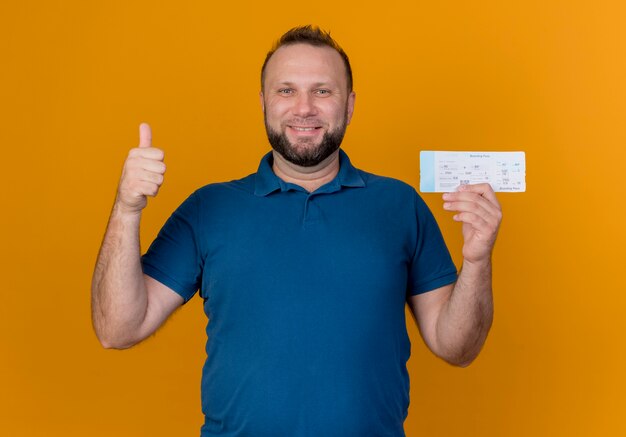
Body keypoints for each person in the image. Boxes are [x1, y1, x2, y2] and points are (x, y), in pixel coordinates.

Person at [91, 25, 502, 437]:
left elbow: (457, 348)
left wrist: (477, 259)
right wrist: (127, 209)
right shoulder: (208, 208)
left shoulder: (400, 204)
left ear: (350, 104)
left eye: (323, 91)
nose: (303, 107)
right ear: (264, 102)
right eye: (286, 90)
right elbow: (118, 329)